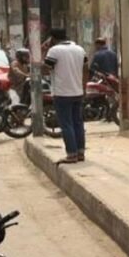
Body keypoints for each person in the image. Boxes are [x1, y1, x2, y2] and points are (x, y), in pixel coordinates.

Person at [44, 28, 88, 164]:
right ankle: (80, 153)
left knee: (66, 124)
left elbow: (45, 69)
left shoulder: (54, 51)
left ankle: (71, 154)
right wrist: (84, 87)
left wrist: (43, 50)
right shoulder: (80, 49)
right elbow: (86, 69)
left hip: (62, 93)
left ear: (52, 38)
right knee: (78, 123)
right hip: (77, 91)